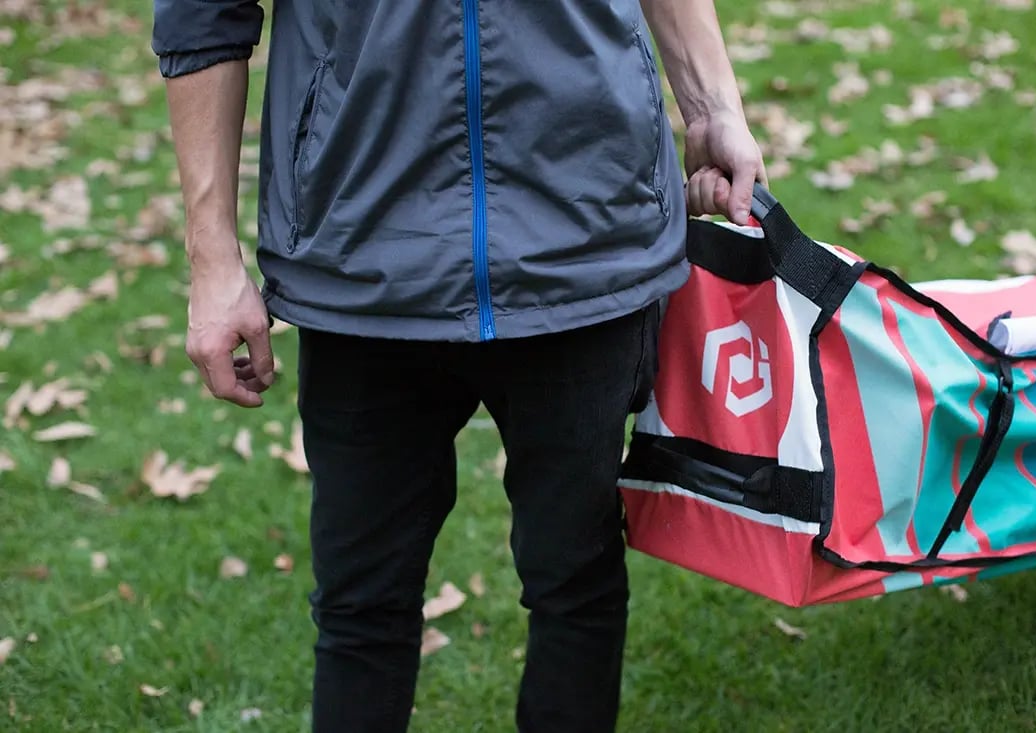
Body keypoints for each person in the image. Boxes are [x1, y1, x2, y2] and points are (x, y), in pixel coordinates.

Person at [152, 0, 766, 730]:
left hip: (588, 227)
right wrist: (210, 255)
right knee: (362, 603)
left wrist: (710, 103)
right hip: (361, 245)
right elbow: (202, 12)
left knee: (577, 579)